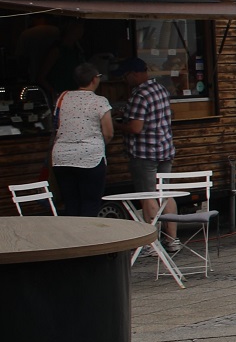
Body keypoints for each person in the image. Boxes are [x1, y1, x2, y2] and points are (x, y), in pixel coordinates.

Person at [115, 57, 180, 252]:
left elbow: (136, 127)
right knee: (165, 193)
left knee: (148, 195)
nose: (125, 81)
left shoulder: (139, 94)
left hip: (145, 152)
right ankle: (172, 239)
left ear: (134, 74)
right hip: (165, 149)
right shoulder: (160, 89)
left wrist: (117, 124)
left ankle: (152, 243)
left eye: (126, 76)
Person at [51, 63, 113, 216]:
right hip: (90, 157)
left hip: (62, 157)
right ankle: (89, 238)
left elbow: (57, 124)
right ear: (94, 79)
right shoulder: (100, 101)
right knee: (90, 203)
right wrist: (97, 144)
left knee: (71, 202)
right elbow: (109, 132)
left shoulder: (62, 97)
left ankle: (73, 238)